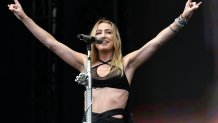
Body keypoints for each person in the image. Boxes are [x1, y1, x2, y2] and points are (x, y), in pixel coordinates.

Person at [8, 0, 202, 122]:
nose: (103, 35)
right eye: (99, 32)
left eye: (108, 32)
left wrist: (183, 17)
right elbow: (52, 43)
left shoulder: (127, 63)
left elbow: (156, 43)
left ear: (115, 39)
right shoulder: (86, 62)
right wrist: (24, 17)